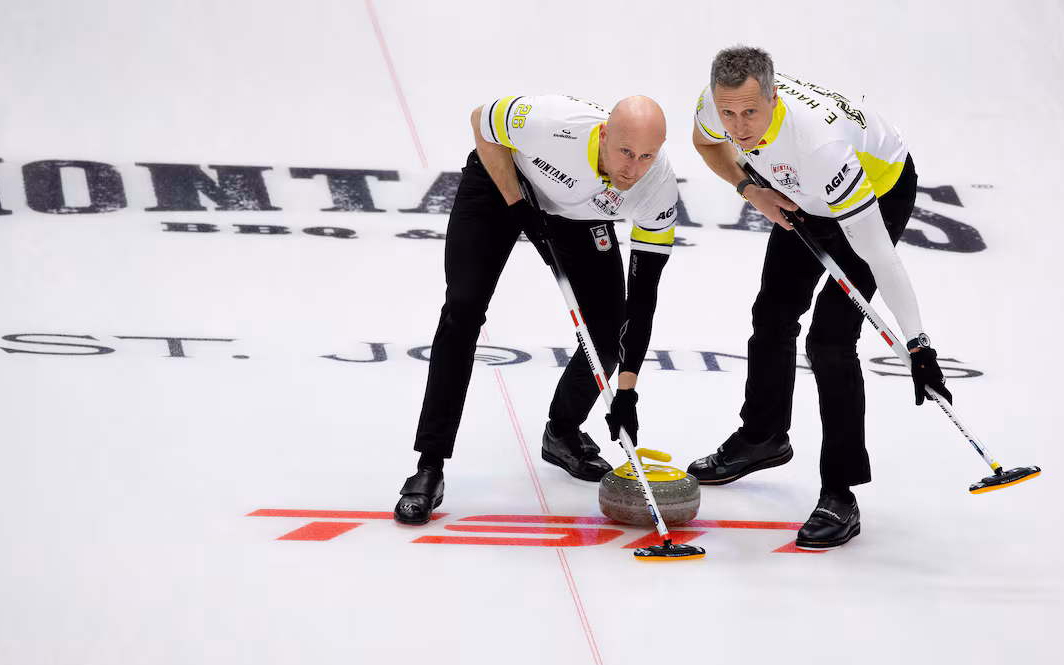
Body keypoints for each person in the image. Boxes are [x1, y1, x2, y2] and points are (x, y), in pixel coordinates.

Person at [689, 45, 951, 549]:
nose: (738, 127)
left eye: (750, 112)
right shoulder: (715, 105)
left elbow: (879, 256)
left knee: (831, 340)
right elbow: (706, 144)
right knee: (773, 312)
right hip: (795, 189)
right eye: (729, 113)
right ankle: (763, 436)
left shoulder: (818, 147)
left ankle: (841, 492)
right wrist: (750, 189)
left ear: (773, 96)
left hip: (873, 189)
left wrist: (919, 344)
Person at [394, 94, 681, 524]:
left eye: (645, 156)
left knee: (607, 331)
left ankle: (562, 433)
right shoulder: (552, 123)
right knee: (463, 309)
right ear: (603, 135)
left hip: (579, 215)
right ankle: (429, 467)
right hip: (504, 183)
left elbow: (644, 301)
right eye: (625, 152)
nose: (632, 168)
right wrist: (517, 205)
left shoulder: (656, 187)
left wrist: (626, 390)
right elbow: (481, 120)